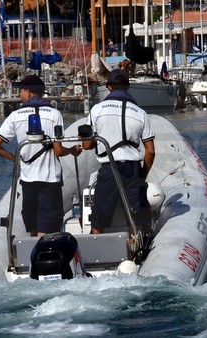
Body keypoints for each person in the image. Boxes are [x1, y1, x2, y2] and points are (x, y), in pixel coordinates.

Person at [0, 75, 82, 237]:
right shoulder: (54, 114)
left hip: (28, 180)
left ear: (28, 92)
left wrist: (17, 160)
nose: (20, 95)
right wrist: (73, 150)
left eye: (21, 91)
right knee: (47, 228)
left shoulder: (15, 116)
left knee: (32, 227)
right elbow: (58, 151)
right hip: (50, 179)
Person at [83, 69, 155, 235]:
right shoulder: (141, 113)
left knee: (98, 219)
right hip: (133, 170)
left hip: (109, 170)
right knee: (139, 218)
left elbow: (86, 145)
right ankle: (137, 249)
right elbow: (150, 152)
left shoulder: (96, 110)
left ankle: (95, 252)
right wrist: (141, 175)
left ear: (109, 87)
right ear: (128, 87)